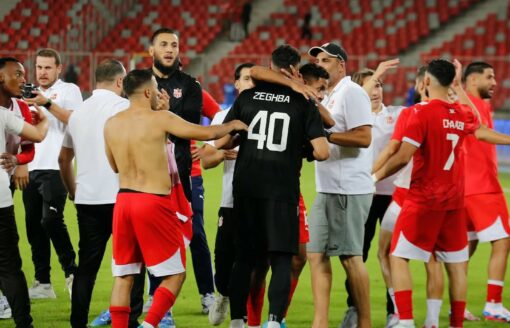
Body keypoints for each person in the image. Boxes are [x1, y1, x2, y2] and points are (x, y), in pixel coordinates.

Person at [103, 69, 247, 328]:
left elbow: (114, 166)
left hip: (123, 201)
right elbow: (204, 133)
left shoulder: (111, 123)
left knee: (124, 276)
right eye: (157, 88)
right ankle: (150, 325)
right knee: (175, 275)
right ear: (148, 92)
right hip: (152, 202)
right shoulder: (160, 119)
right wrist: (232, 125)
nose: (160, 93)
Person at [373, 58, 510, 328]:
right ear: (452, 84)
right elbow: (478, 125)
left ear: (425, 82)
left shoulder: (417, 114)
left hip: (422, 199)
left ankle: (406, 321)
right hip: (454, 203)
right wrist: (458, 89)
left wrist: (373, 177)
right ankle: (455, 323)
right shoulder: (461, 114)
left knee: (396, 256)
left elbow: (400, 157)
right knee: (456, 264)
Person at [215, 44, 329, 328]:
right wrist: (302, 147)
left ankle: (238, 320)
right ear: (293, 69)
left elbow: (222, 142)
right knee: (280, 259)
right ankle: (274, 320)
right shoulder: (303, 102)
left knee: (244, 258)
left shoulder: (247, 97)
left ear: (271, 64)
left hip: (247, 187)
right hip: (281, 190)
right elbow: (323, 151)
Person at [58, 59, 129, 328]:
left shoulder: (78, 113)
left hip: (88, 201)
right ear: (120, 81)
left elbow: (63, 160)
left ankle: (77, 323)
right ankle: (130, 321)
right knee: (128, 266)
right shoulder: (125, 107)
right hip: (121, 198)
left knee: (87, 268)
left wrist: (74, 192)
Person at [306, 42, 373, 328]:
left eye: (326, 59)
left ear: (342, 64)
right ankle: (320, 323)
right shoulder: (331, 96)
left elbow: (363, 138)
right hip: (327, 187)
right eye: (317, 60)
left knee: (350, 258)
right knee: (315, 254)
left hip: (348, 188)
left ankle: (365, 322)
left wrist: (328, 137)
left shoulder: (352, 92)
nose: (320, 64)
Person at [22, 48, 82, 299]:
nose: (42, 72)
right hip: (31, 167)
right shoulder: (26, 94)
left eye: (48, 67)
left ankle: (72, 273)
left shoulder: (69, 90)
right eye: (39, 67)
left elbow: (76, 121)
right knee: (33, 225)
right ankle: (43, 283)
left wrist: (46, 102)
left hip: (57, 166)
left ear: (58, 68)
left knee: (51, 220)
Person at [347, 60, 403, 328]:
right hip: (361, 194)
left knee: (393, 254)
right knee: (357, 254)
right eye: (370, 85)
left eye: (379, 84)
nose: (376, 90)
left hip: (393, 195)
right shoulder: (353, 119)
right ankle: (354, 309)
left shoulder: (398, 114)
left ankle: (395, 312)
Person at [200, 62, 255, 326]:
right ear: (236, 84)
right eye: (245, 78)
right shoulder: (222, 117)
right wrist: (223, 152)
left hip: (257, 200)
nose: (250, 83)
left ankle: (239, 317)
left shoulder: (265, 113)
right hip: (229, 200)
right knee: (223, 263)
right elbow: (205, 161)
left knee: (247, 260)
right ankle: (221, 294)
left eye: (254, 79)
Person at [0, 56, 50, 328]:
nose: (23, 80)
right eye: (17, 75)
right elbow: (39, 132)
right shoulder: (7, 113)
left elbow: (29, 146)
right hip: (0, 187)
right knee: (8, 258)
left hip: (6, 179)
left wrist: (20, 162)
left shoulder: (19, 106)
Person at [462, 61, 510, 322]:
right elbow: (480, 133)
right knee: (503, 241)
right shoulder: (470, 104)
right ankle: (493, 304)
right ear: (472, 81)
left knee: (465, 248)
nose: (494, 82)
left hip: (465, 188)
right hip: (484, 188)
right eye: (489, 77)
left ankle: (458, 306)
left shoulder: (474, 103)